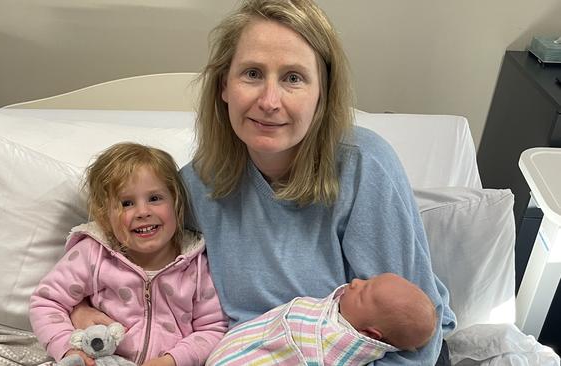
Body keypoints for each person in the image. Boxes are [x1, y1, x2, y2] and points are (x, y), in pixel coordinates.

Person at [71, 0, 456, 364]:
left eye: (293, 78)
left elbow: (415, 340)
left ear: (321, 94)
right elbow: (139, 270)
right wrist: (82, 306)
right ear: (224, 86)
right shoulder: (195, 187)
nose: (269, 101)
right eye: (252, 74)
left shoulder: (364, 167)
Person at [29, 143, 228, 366]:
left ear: (176, 202)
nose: (143, 212)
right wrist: (67, 349)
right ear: (105, 216)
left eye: (155, 198)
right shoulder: (93, 255)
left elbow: (213, 329)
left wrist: (172, 361)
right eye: (127, 203)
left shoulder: (196, 267)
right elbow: (46, 303)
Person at [206, 273, 437, 365]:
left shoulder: (333, 344)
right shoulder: (340, 311)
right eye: (368, 280)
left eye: (363, 293)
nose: (355, 282)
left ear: (370, 334)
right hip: (236, 346)